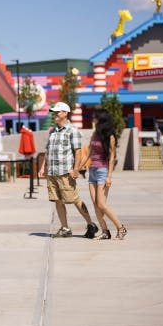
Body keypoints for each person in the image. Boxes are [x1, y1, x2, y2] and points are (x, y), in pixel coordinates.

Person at [39, 102, 98, 238]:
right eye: (54, 112)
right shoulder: (52, 131)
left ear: (65, 113)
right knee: (57, 200)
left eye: (57, 112)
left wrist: (76, 170)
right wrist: (43, 167)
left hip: (65, 172)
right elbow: (48, 150)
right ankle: (65, 228)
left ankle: (90, 224)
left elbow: (78, 152)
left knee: (75, 200)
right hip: (53, 172)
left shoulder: (72, 130)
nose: (55, 114)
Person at [86, 109, 128, 240]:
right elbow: (89, 152)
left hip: (102, 172)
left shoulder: (110, 137)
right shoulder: (95, 134)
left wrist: (109, 176)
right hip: (92, 170)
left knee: (102, 204)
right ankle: (105, 231)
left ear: (102, 120)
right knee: (95, 203)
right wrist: (77, 167)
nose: (94, 120)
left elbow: (111, 157)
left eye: (96, 118)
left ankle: (121, 228)